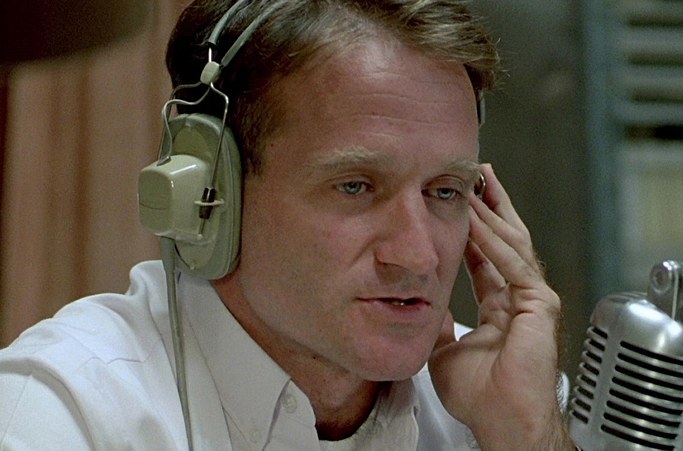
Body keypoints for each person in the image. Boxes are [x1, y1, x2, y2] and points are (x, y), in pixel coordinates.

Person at [0, 0, 576, 449]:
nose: (419, 256)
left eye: (445, 191)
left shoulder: (498, 400)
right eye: (355, 187)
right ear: (212, 193)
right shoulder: (59, 414)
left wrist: (529, 440)